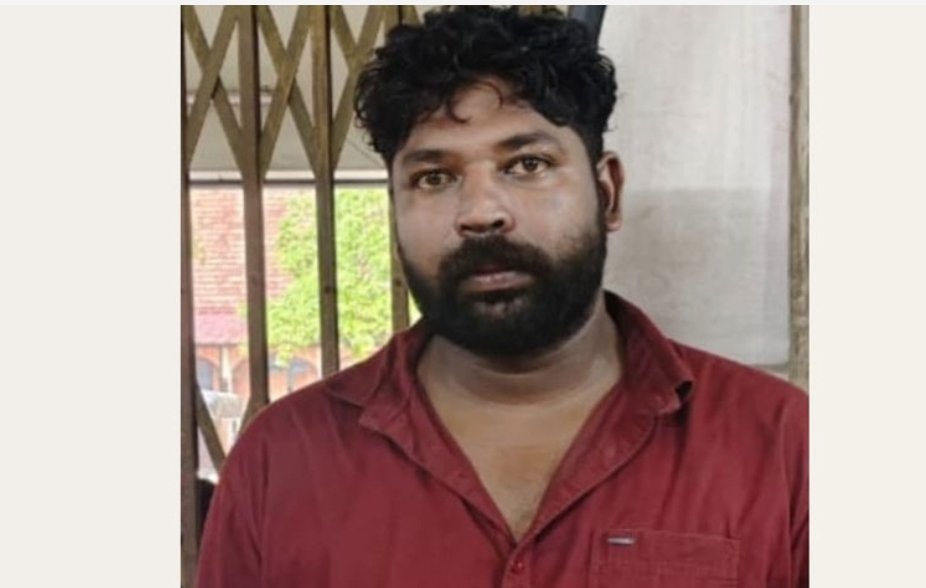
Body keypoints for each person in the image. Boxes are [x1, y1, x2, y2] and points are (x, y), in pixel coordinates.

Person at [196, 7, 808, 588]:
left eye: (527, 165)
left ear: (607, 194)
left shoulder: (786, 448)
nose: (481, 212)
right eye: (434, 177)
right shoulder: (281, 462)